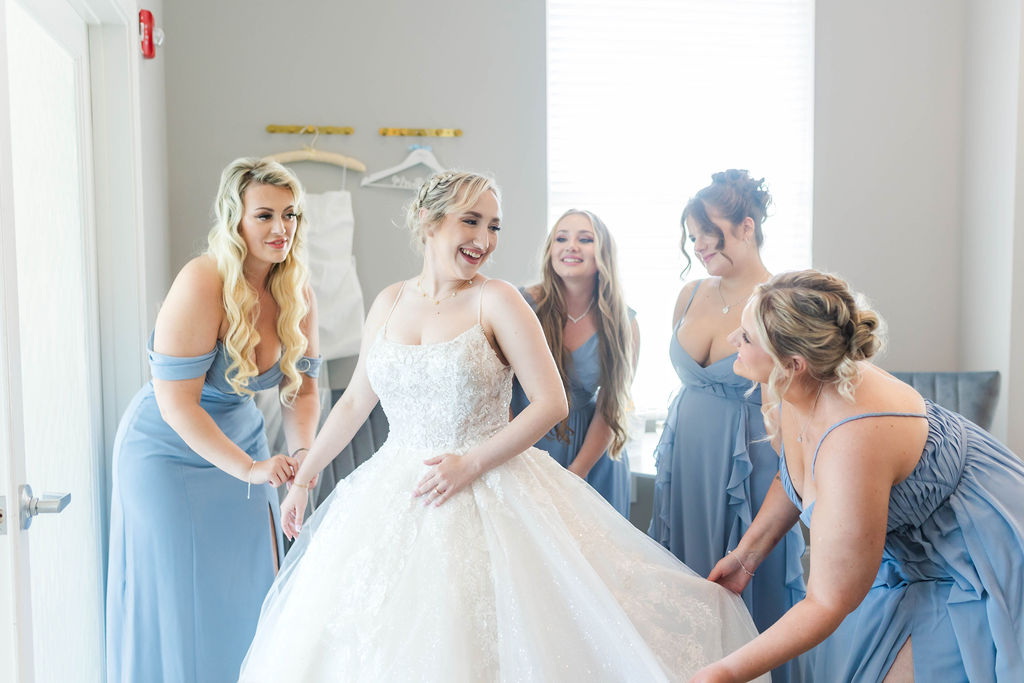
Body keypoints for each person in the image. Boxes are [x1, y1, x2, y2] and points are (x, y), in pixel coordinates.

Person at [238, 171, 768, 682]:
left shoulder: (498, 299)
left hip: (486, 483)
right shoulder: (390, 301)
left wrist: (470, 463)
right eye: (471, 222)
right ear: (428, 220)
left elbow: (550, 402)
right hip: (394, 488)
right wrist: (305, 479)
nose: (484, 239)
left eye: (494, 226)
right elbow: (355, 402)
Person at [691, 269, 1024, 682]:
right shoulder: (786, 386)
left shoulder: (852, 437)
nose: (731, 343)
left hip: (977, 549)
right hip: (906, 548)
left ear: (793, 363)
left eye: (745, 338)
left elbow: (828, 602)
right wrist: (748, 554)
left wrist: (723, 673)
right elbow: (795, 476)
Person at [106, 158, 323, 683]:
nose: (281, 229)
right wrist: (249, 468)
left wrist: (300, 455)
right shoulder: (203, 279)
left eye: (290, 215)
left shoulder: (296, 290)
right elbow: (177, 403)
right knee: (179, 597)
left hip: (244, 438)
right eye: (265, 215)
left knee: (251, 587)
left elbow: (303, 389)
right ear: (235, 219)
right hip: (168, 447)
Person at [648, 170, 806, 681]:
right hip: (687, 455)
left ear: (746, 226)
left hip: (750, 459)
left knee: (747, 582)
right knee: (685, 582)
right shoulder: (691, 293)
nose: (699, 247)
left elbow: (792, 393)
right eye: (692, 237)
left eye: (709, 235)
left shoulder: (782, 299)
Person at [509, 209, 639, 517]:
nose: (571, 246)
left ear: (603, 252)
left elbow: (612, 405)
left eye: (585, 239)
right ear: (550, 250)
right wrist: (519, 458)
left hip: (591, 456)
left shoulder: (623, 322)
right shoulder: (521, 305)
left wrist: (574, 476)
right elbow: (496, 388)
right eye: (561, 238)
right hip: (523, 444)